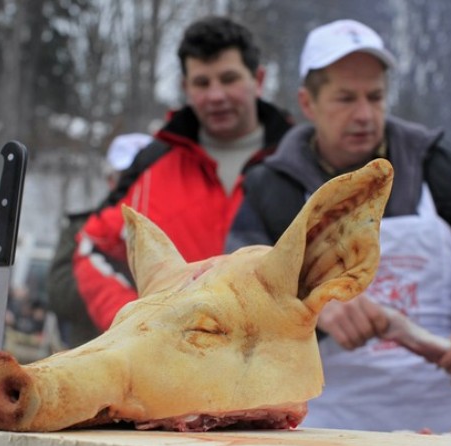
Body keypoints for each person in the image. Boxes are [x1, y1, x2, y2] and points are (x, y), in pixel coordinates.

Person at [227, 19, 451, 433]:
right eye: (345, 98)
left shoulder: (434, 165)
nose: (364, 115)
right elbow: (236, 292)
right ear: (307, 103)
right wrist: (311, 305)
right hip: (329, 427)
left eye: (375, 97)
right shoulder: (273, 185)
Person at [73, 15, 293, 332]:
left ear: (258, 79)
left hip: (280, 369)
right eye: (202, 83)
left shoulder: (299, 160)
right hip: (171, 373)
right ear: (185, 87)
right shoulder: (152, 163)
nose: (215, 95)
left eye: (229, 78)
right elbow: (91, 246)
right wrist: (134, 324)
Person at [47, 132, 154, 348]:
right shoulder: (81, 228)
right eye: (127, 174)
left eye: (142, 174)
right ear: (110, 179)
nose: (134, 182)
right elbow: (59, 294)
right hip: (94, 354)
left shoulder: (176, 229)